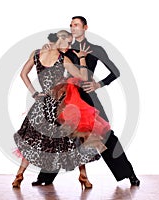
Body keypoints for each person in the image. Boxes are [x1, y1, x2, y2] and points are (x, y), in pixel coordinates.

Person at [32, 16, 140, 187]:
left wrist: (98, 84)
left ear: (85, 27)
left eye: (76, 25)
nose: (73, 28)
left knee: (105, 136)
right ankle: (45, 178)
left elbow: (115, 71)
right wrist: (48, 47)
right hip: (68, 97)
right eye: (71, 25)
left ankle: (129, 174)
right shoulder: (66, 49)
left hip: (88, 97)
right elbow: (50, 58)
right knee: (58, 135)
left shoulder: (96, 49)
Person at [12, 30, 110, 189]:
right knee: (74, 140)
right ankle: (83, 176)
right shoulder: (62, 59)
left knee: (33, 140)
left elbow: (23, 74)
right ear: (60, 39)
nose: (70, 46)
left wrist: (34, 93)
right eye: (69, 42)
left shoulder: (36, 54)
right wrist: (82, 59)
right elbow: (84, 77)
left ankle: (19, 176)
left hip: (41, 105)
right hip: (59, 106)